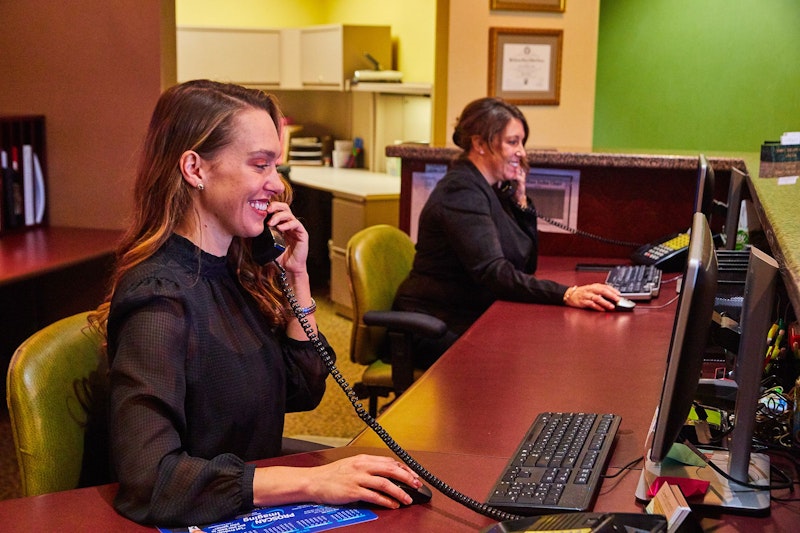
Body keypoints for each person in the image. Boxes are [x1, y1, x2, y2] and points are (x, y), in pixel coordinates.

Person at [88, 80, 422, 527]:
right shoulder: (159, 297)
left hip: (247, 505)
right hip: (197, 516)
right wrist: (309, 482)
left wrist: (297, 277)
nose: (276, 184)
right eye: (260, 164)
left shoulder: (235, 271)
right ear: (195, 168)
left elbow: (303, 388)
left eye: (275, 165)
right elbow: (151, 479)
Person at [393, 97, 622, 368]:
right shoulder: (461, 192)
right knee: (526, 358)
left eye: (522, 142)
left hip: (467, 315)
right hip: (434, 324)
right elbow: (494, 273)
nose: (522, 153)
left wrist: (520, 200)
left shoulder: (488, 189)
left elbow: (525, 264)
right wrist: (567, 294)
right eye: (513, 142)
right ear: (479, 144)